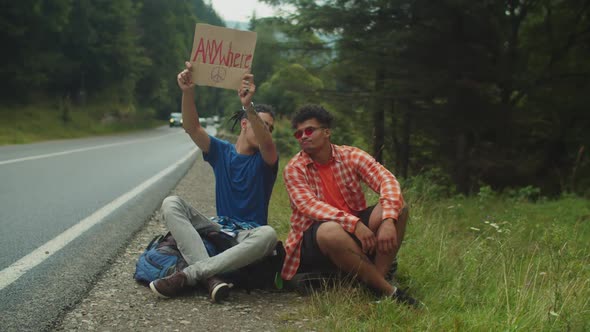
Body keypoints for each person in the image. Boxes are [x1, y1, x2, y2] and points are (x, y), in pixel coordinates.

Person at [149, 62, 279, 303]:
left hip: (248, 237)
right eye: (261, 124)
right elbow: (192, 127)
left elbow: (268, 144)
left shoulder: (266, 160)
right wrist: (188, 92)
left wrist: (248, 105)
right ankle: (211, 278)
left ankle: (192, 274)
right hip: (220, 230)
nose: (266, 131)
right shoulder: (222, 151)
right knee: (171, 203)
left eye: (269, 128)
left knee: (269, 235)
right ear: (244, 123)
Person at [281, 104, 419, 306]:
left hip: (353, 235)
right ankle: (390, 291)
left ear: (327, 132)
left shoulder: (351, 155)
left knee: (400, 207)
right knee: (330, 230)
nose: (303, 136)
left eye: (309, 130)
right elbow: (310, 206)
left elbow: (387, 180)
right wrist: (354, 224)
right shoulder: (294, 168)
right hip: (315, 240)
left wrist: (389, 219)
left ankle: (376, 284)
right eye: (298, 133)